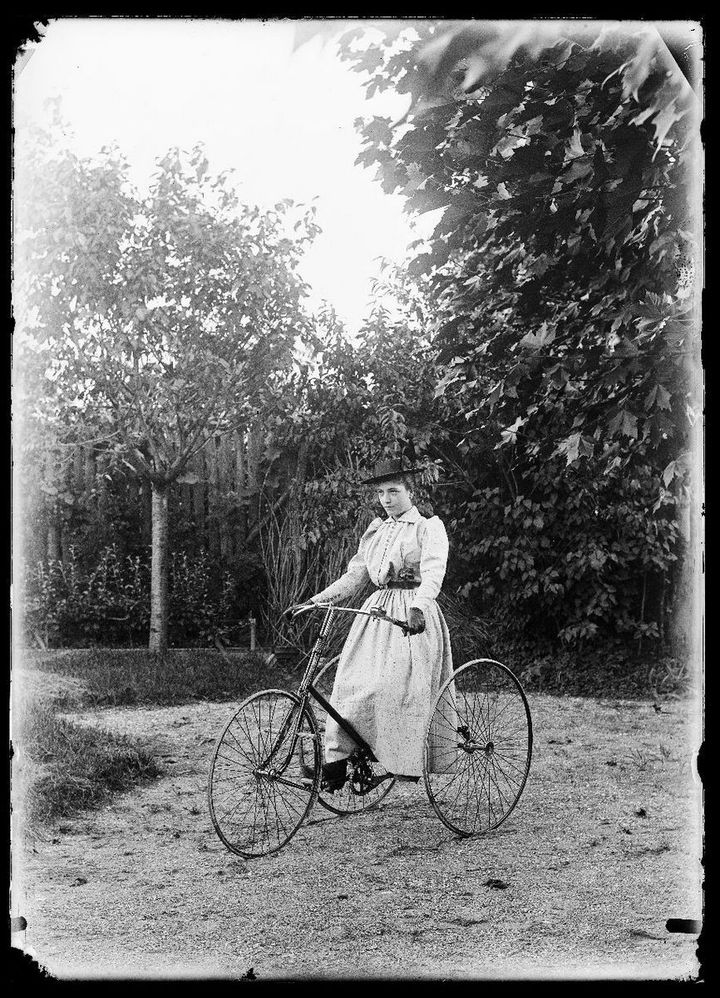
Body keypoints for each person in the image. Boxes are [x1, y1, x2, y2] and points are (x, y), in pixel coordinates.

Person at [291, 457, 454, 791]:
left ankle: (402, 760)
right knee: (349, 685)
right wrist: (316, 601)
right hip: (376, 615)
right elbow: (355, 576)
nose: (386, 499)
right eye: (381, 492)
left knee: (388, 689)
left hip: (411, 619)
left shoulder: (428, 527)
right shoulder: (377, 531)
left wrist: (419, 606)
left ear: (411, 491)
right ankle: (336, 765)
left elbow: (434, 572)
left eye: (393, 490)